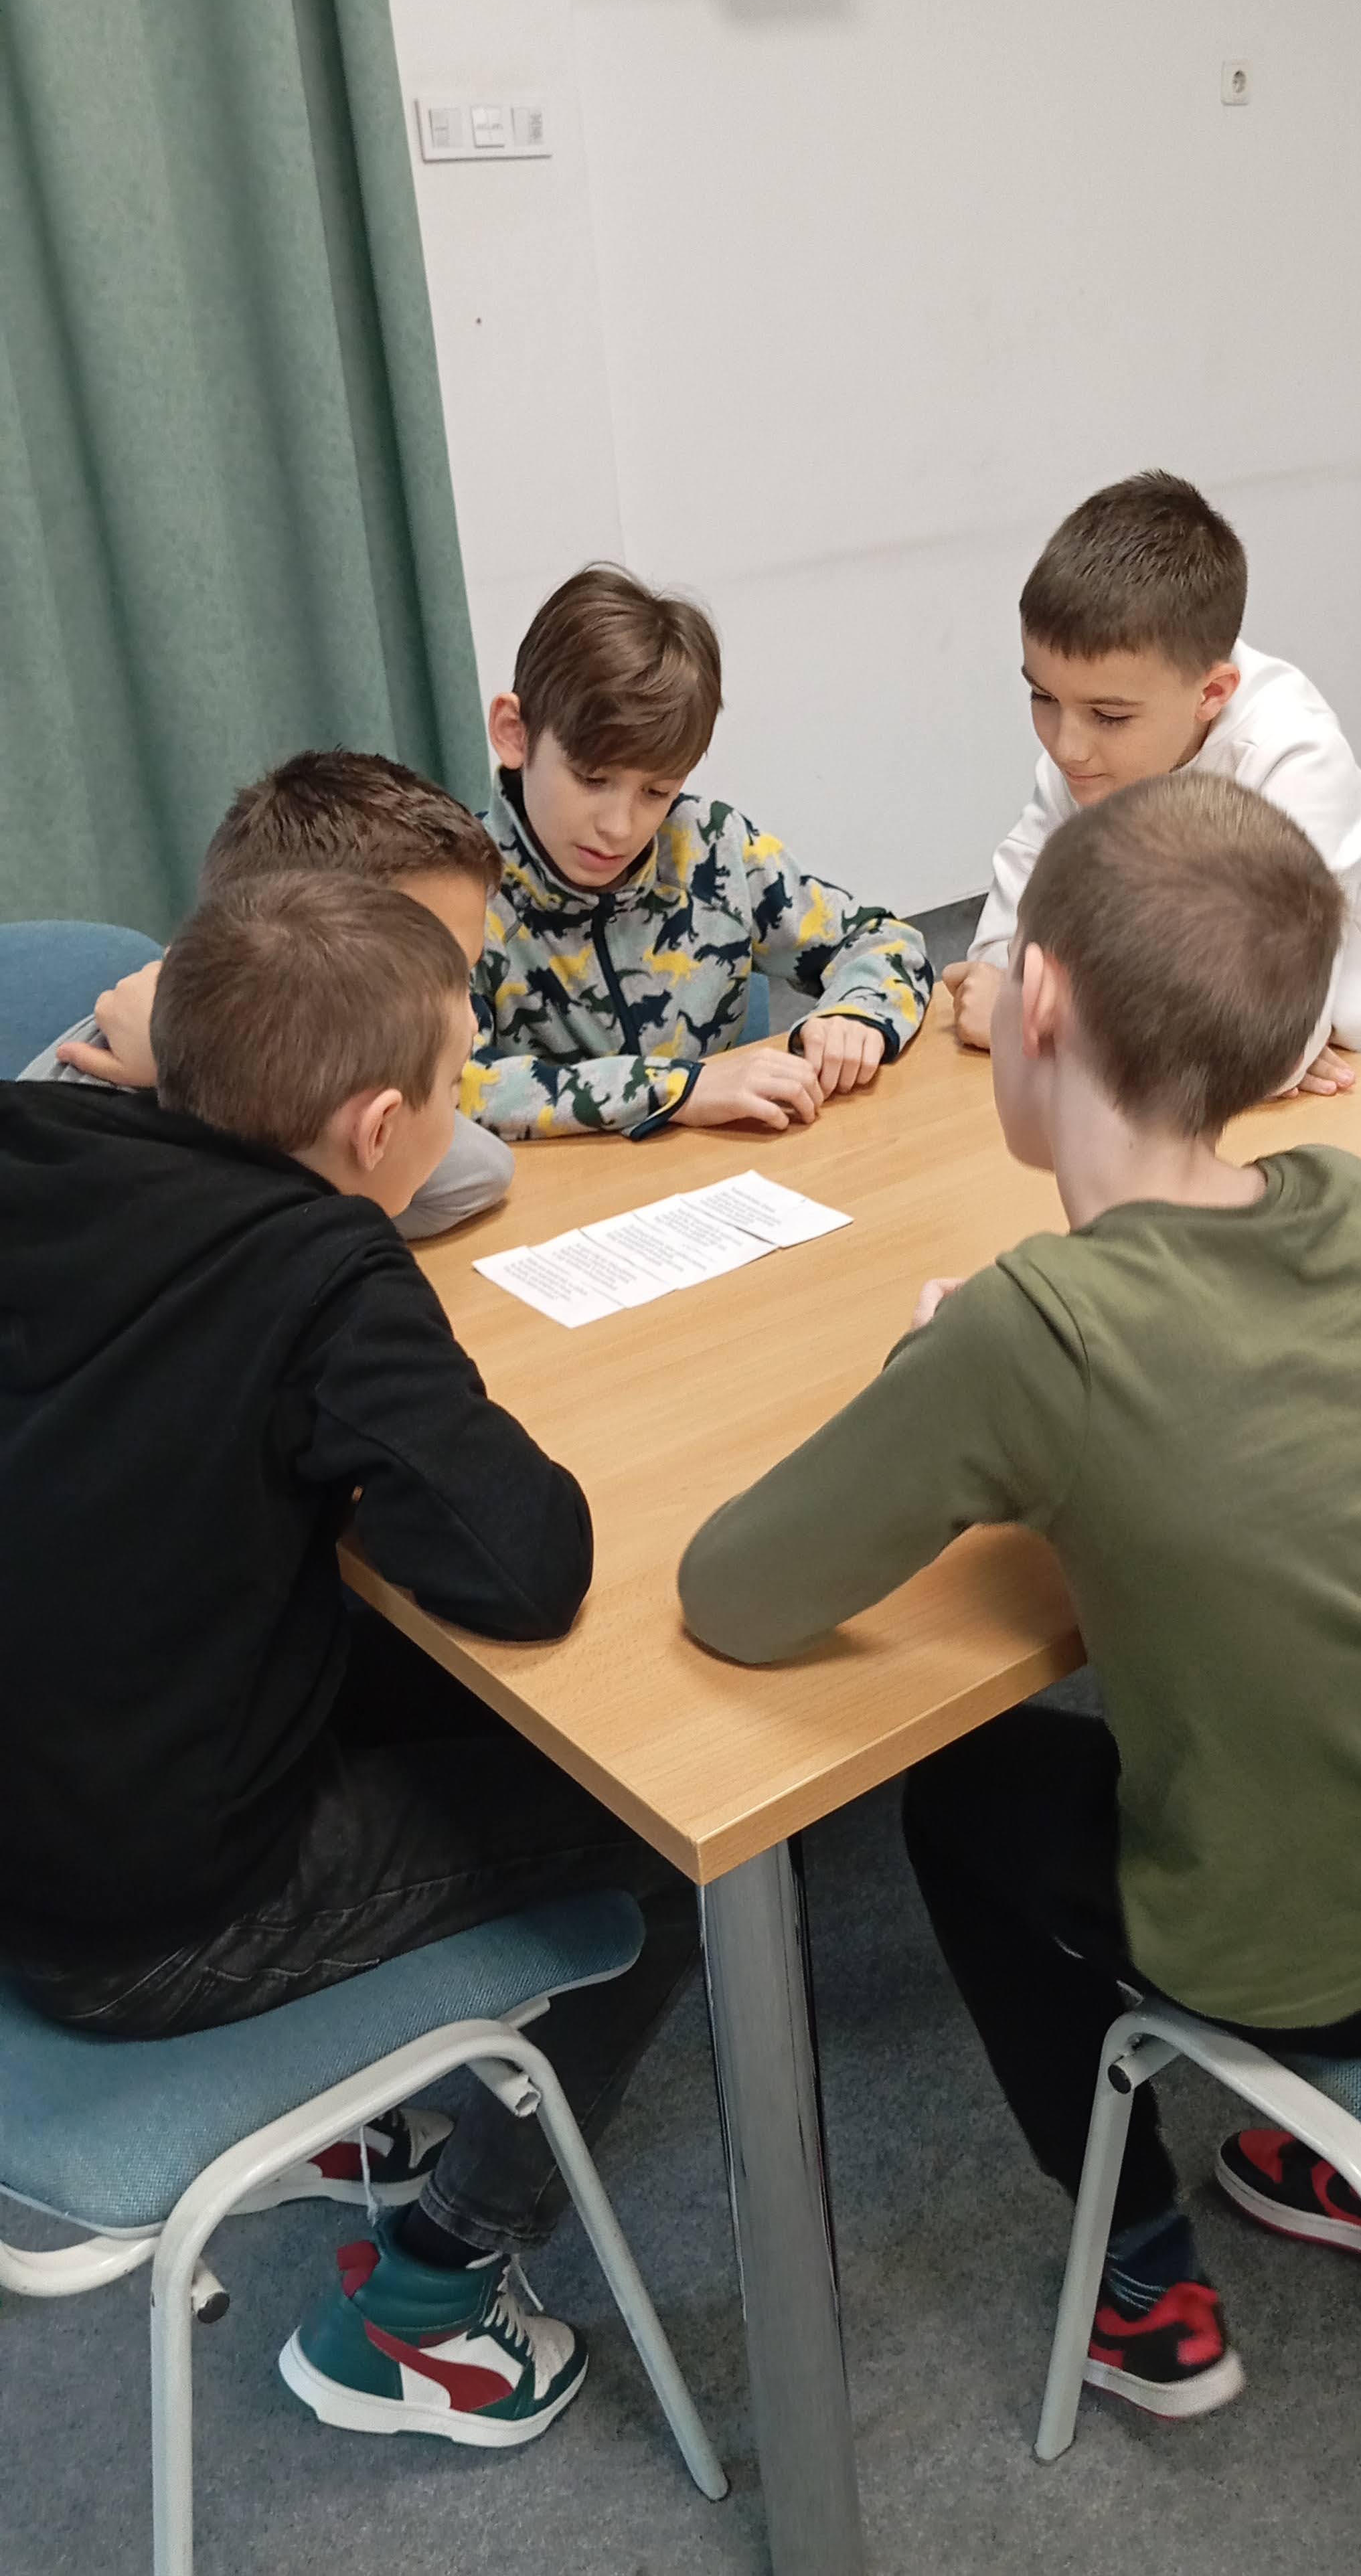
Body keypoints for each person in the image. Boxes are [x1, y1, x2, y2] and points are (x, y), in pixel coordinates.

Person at [679, 774, 1361, 2420]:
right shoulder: (1358, 1202)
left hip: (1336, 1957)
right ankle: (1334, 2155)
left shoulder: (1027, 1329)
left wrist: (935, 1370)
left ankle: (1138, 2263)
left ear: (1032, 1000)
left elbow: (734, 1592)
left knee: (956, 1790)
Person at [0, 875, 700, 2446]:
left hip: (48, 1786)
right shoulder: (323, 1269)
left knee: (419, 1688)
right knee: (668, 1837)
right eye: (456, 1081)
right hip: (143, 1920)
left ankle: (347, 2102)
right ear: (382, 1127)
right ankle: (429, 2300)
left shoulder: (32, 1138)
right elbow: (523, 1565)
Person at [944, 469, 1361, 1104]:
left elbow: (1271, 1043)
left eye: (1108, 715)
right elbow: (1001, 950)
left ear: (1212, 693)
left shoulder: (1295, 760)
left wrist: (1045, 1017)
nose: (1065, 746)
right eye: (1042, 696)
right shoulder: (1092, 753)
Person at [468, 562, 933, 1138]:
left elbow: (885, 941)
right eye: (591, 779)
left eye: (657, 792)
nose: (619, 827)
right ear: (514, 732)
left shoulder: (712, 847)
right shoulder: (451, 893)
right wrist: (677, 1088)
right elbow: (447, 1091)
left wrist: (855, 1014)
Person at [19, 748, 515, 1239]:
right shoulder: (83, 1119)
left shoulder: (333, 1086)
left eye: (462, 975)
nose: (465, 1013)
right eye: (431, 964)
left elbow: (481, 1172)